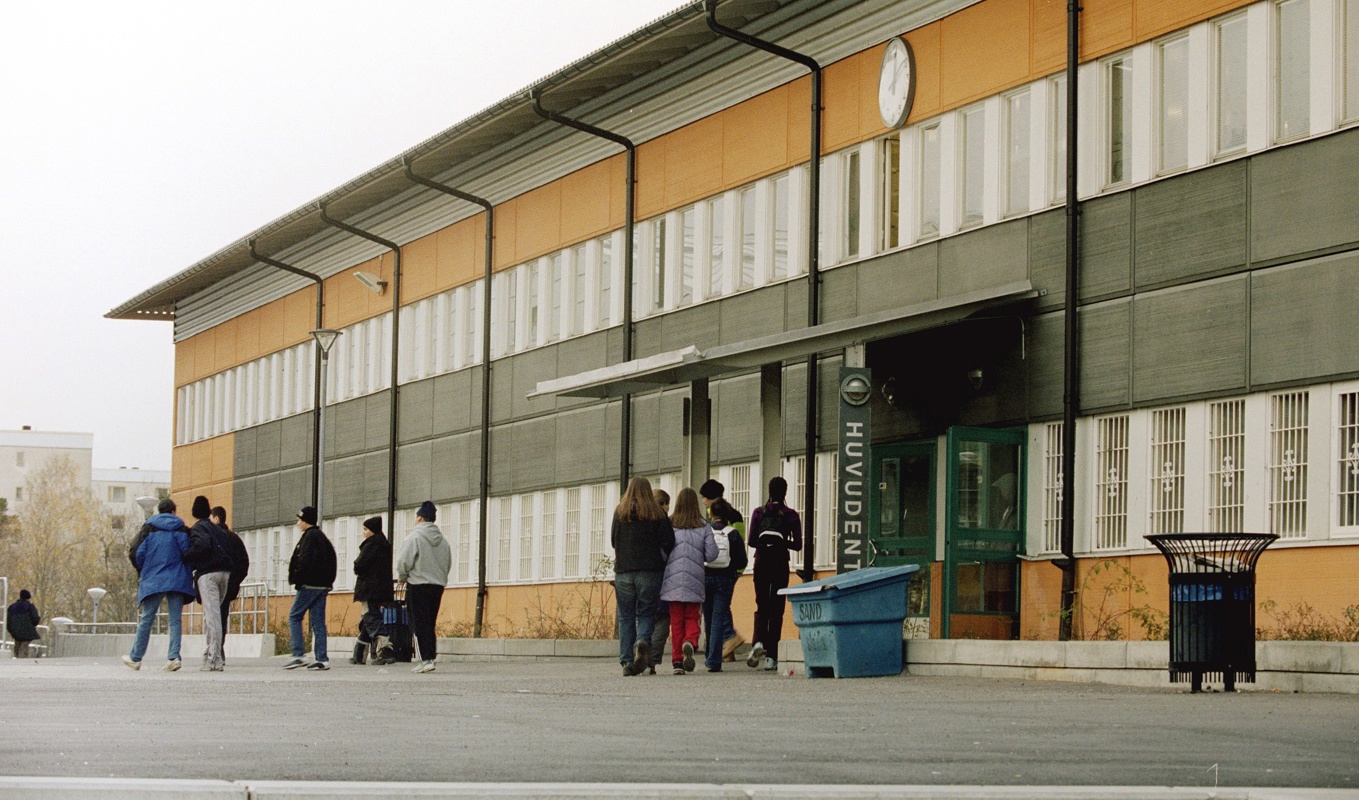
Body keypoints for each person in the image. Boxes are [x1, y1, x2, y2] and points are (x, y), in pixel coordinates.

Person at [611, 476, 674, 676]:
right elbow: (669, 541)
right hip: (650, 570)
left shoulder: (619, 512)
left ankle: (627, 663)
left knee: (626, 616)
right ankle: (642, 642)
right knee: (647, 613)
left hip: (624, 572)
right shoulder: (657, 513)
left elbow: (614, 540)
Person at [122, 498, 194, 672]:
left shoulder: (148, 528)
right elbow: (189, 553)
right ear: (174, 511)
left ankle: (136, 658)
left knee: (147, 619)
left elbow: (136, 552)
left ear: (159, 511)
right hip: (176, 579)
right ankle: (174, 657)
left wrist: (144, 570)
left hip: (153, 578)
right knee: (175, 620)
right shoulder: (182, 529)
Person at [746, 476, 802, 672]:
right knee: (777, 609)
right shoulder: (791, 515)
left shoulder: (758, 513)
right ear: (785, 492)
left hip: (761, 562)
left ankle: (758, 643)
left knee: (761, 604)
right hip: (780, 564)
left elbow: (752, 541)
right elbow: (798, 545)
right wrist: (782, 542)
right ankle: (772, 656)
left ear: (768, 491)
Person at [660, 488, 718, 675]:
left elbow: (662, 552)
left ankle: (677, 662)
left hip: (673, 580)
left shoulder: (669, 524)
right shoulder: (704, 526)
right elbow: (712, 554)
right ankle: (690, 642)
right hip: (695, 579)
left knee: (676, 622)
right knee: (692, 617)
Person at [396, 501, 450, 674]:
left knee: (418, 623)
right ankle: (430, 656)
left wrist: (402, 576)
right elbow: (447, 563)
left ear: (419, 517)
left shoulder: (414, 537)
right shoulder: (443, 540)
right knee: (430, 622)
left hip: (418, 583)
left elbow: (404, 560)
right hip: (437, 585)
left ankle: (425, 659)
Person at [183, 495, 235, 672]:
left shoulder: (198, 528)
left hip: (208, 574)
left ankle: (214, 659)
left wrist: (186, 555)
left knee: (212, 618)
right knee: (213, 616)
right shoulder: (217, 530)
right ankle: (208, 655)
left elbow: (202, 546)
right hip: (225, 573)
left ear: (194, 511)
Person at [283, 506, 337, 671]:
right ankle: (322, 658)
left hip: (309, 585)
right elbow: (332, 560)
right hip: (322, 585)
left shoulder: (309, 537)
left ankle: (298, 654)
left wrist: (297, 579)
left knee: (294, 616)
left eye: (300, 519)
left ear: (306, 521)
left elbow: (303, 561)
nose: (298, 522)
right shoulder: (322, 538)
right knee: (318, 622)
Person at [698, 478, 746, 661]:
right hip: (730, 568)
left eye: (704, 498)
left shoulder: (709, 521)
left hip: (714, 570)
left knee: (718, 609)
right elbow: (740, 542)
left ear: (712, 498)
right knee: (722, 605)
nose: (703, 501)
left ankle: (730, 637)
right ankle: (727, 652)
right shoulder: (736, 516)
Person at [351, 515, 394, 665]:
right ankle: (359, 654)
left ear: (372, 531)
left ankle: (385, 649)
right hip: (381, 588)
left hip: (369, 588)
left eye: (365, 529)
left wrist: (356, 565)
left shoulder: (371, 545)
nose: (363, 532)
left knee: (371, 616)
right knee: (368, 619)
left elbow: (359, 565)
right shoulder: (384, 545)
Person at [211, 506, 250, 659]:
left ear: (216, 519)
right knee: (222, 616)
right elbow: (244, 563)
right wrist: (234, 582)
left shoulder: (212, 538)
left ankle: (214, 650)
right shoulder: (234, 538)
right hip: (228, 585)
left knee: (211, 617)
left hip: (211, 583)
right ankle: (219, 649)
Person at [644, 489, 672, 675]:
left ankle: (640, 655)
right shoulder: (664, 522)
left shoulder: (640, 520)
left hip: (641, 575)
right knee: (663, 617)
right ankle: (651, 660)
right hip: (663, 575)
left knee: (645, 616)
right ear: (662, 504)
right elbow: (668, 548)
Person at [6, 589, 41, 658]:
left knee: (17, 645)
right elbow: (35, 618)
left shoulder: (12, 607)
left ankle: (16, 658)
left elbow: (9, 621)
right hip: (27, 631)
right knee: (24, 646)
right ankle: (22, 661)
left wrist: (11, 630)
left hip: (15, 631)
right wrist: (33, 624)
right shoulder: (30, 606)